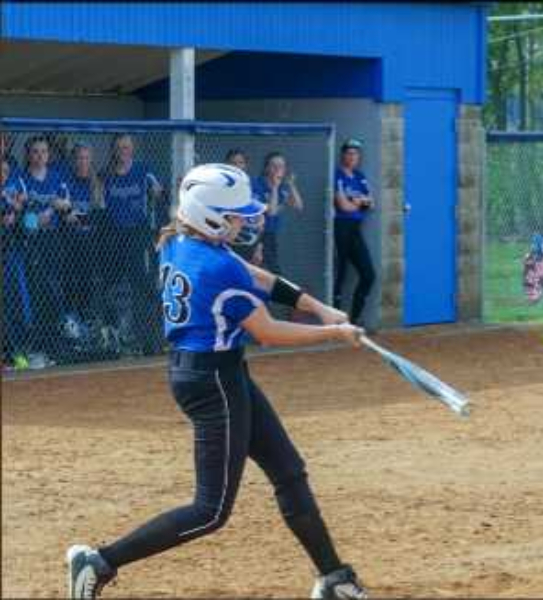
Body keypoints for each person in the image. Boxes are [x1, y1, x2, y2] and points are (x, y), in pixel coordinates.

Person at [66, 163, 368, 600]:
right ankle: (98, 562)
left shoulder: (180, 241)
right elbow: (268, 332)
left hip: (217, 372)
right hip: (212, 383)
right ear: (209, 217)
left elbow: (257, 276)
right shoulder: (215, 264)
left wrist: (318, 307)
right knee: (210, 511)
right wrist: (333, 333)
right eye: (235, 215)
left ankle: (334, 578)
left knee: (288, 471)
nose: (244, 221)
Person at [102, 133, 165, 355]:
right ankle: (114, 339)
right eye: (119, 147)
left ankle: (151, 338)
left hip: (139, 233)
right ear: (114, 150)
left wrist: (157, 192)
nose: (123, 151)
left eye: (127, 147)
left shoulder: (143, 170)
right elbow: (99, 201)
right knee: (111, 286)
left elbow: (159, 191)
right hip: (113, 235)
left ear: (132, 149)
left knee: (143, 285)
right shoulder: (106, 174)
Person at [20, 135, 71, 366]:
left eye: (44, 152)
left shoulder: (56, 177)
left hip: (53, 240)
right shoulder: (22, 178)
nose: (40, 156)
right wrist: (35, 219)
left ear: (49, 155)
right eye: (35, 152)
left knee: (54, 288)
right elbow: (22, 216)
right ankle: (38, 344)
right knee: (36, 289)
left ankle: (54, 343)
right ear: (29, 155)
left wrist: (52, 208)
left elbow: (66, 203)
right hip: (32, 242)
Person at [62, 142, 106, 323]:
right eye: (79, 158)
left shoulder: (96, 183)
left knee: (87, 281)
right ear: (74, 160)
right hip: (70, 241)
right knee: (70, 280)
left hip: (90, 241)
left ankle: (86, 318)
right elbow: (65, 216)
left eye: (86, 158)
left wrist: (78, 217)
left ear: (91, 160)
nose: (83, 162)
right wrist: (79, 216)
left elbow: (100, 215)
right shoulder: (66, 181)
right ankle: (70, 319)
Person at [333, 139, 376, 325]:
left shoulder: (359, 176)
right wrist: (359, 202)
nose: (352, 157)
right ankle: (335, 322)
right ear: (343, 155)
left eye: (355, 154)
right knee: (339, 275)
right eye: (349, 153)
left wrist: (356, 201)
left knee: (368, 274)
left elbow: (371, 203)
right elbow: (344, 206)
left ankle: (354, 319)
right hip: (340, 228)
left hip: (355, 229)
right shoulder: (337, 175)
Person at [1, 158, 32, 368]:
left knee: (18, 301)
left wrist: (17, 211)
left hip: (12, 253)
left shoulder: (14, 197)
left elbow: (31, 224)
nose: (2, 175)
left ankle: (16, 351)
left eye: (5, 171)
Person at [252, 151, 303, 273]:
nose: (278, 169)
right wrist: (275, 187)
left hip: (270, 234)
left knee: (265, 269)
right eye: (274, 165)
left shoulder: (282, 187)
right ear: (266, 168)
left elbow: (298, 206)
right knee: (270, 270)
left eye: (281, 166)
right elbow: (272, 212)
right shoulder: (256, 183)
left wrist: (291, 185)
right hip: (255, 233)